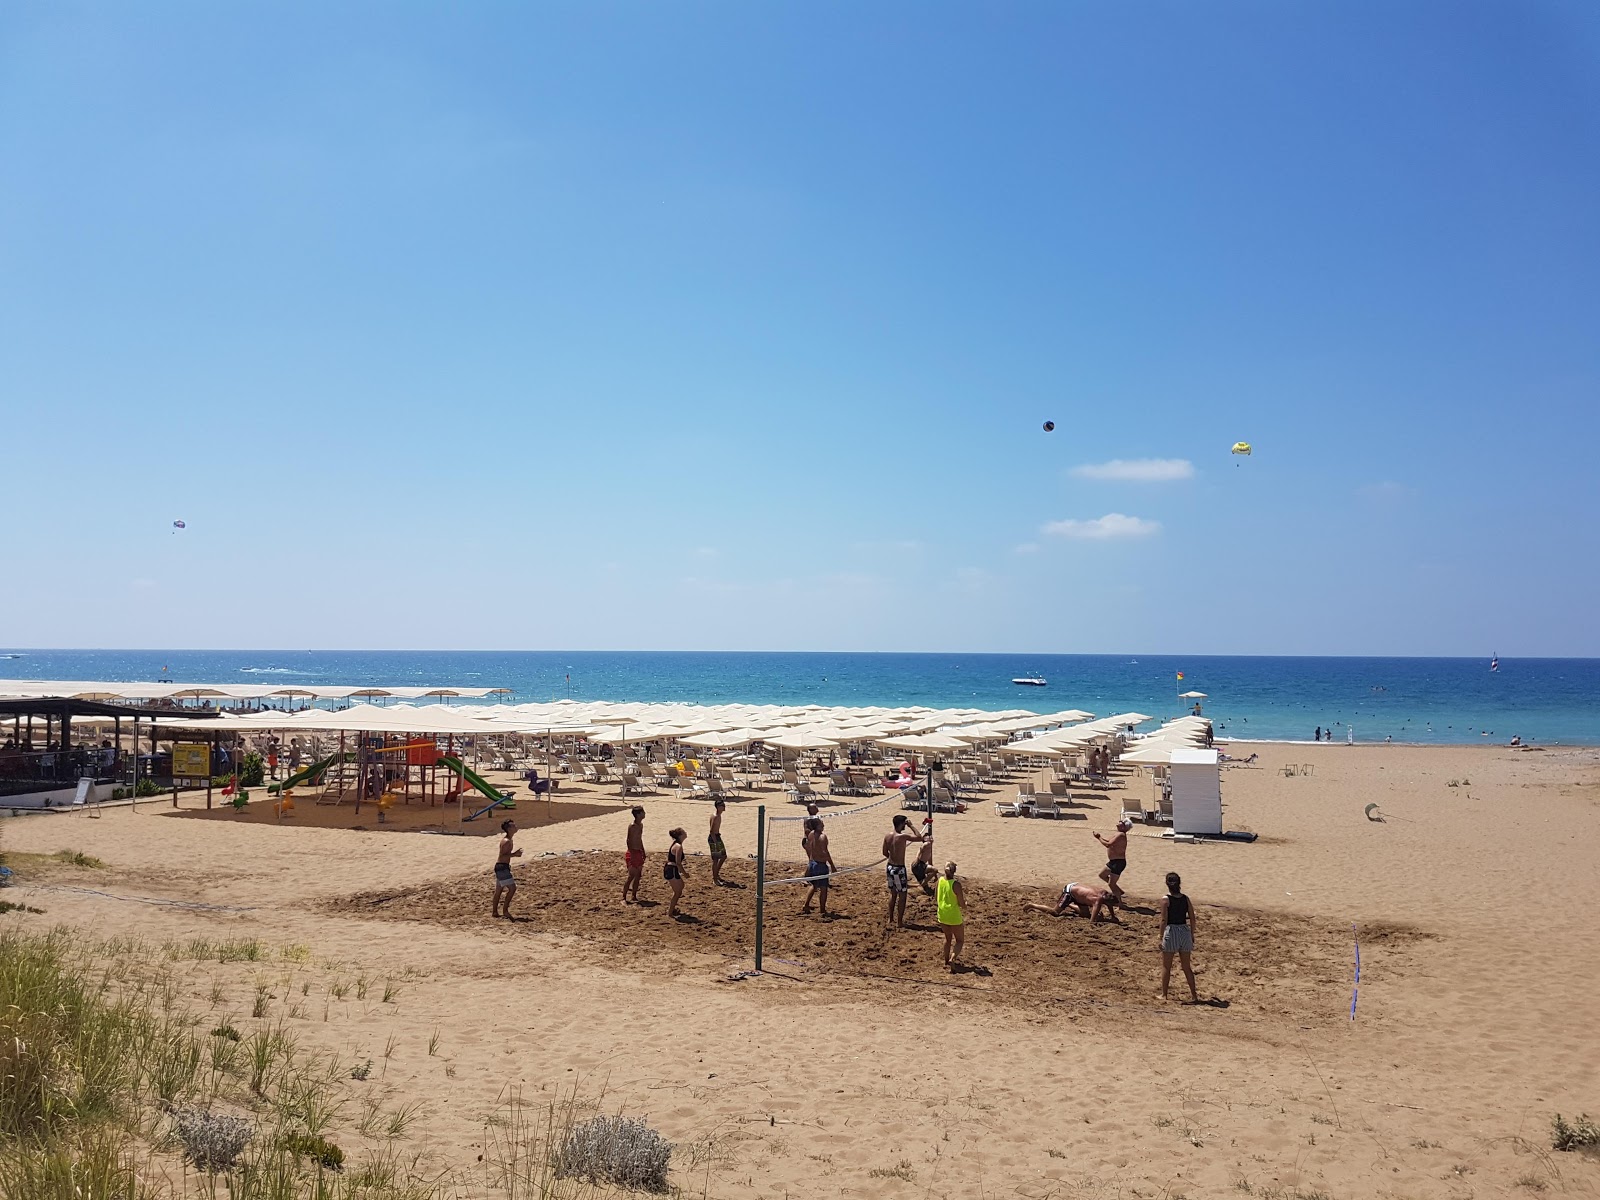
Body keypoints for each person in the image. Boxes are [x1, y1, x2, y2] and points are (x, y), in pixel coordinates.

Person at [1159, 871, 1200, 1002]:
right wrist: (1192, 934)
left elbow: (1163, 920)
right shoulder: (1185, 898)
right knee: (1186, 967)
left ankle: (1164, 994)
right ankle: (1194, 995)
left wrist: (1161, 937)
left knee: (1166, 966)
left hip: (1172, 931)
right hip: (1184, 931)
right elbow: (1192, 918)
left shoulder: (1165, 900)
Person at [881, 814, 925, 929]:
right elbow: (920, 837)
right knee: (902, 895)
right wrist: (911, 826)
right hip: (899, 868)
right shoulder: (903, 836)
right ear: (901, 824)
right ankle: (899, 922)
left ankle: (890, 918)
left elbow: (885, 853)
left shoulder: (887, 836)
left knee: (893, 894)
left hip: (890, 867)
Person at [1023, 882, 1119, 924]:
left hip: (1079, 894)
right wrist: (1097, 918)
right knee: (1055, 912)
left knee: (1085, 914)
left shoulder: (1107, 895)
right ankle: (1032, 905)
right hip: (1070, 891)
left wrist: (1113, 916)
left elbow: (1109, 905)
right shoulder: (1097, 901)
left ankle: (1068, 904)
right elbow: (1092, 921)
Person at [801, 817, 834, 916]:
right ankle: (822, 910)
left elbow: (810, 847)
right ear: (817, 826)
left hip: (813, 863)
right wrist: (832, 865)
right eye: (821, 824)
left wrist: (810, 864)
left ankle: (806, 904)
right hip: (820, 865)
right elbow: (825, 852)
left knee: (814, 885)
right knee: (823, 888)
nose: (823, 825)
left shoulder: (811, 834)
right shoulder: (823, 837)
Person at [936, 862, 966, 969]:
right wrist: (965, 905)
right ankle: (952, 958)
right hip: (954, 916)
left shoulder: (940, 881)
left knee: (947, 939)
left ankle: (945, 961)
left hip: (942, 915)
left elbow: (936, 897)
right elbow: (961, 903)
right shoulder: (956, 885)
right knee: (959, 940)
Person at [1094, 818, 1131, 899]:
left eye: (1122, 822)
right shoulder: (1118, 834)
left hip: (1118, 862)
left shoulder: (1121, 835)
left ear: (1124, 827)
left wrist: (1098, 838)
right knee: (1102, 875)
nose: (1119, 822)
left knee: (1111, 884)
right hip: (1113, 862)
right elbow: (1108, 841)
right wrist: (1099, 837)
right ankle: (1119, 891)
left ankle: (1120, 903)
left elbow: (1108, 844)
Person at [492, 819, 522, 919]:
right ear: (509, 829)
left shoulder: (509, 840)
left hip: (502, 867)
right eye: (513, 826)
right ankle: (505, 911)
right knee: (512, 888)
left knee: (499, 890)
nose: (515, 826)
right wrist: (515, 854)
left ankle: (495, 912)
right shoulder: (506, 841)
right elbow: (503, 855)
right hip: (502, 867)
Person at [623, 806, 646, 903]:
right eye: (642, 812)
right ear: (638, 814)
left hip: (638, 851)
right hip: (632, 852)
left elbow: (639, 839)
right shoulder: (632, 826)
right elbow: (628, 840)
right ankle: (624, 896)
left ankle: (634, 895)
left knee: (638, 875)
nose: (644, 814)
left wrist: (643, 851)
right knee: (631, 875)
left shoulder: (641, 825)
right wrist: (631, 853)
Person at [663, 827, 688, 916]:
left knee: (680, 887)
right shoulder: (678, 846)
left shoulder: (676, 844)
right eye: (684, 832)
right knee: (677, 892)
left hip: (672, 869)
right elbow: (678, 862)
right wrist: (685, 874)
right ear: (680, 835)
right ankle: (670, 912)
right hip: (671, 869)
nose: (686, 833)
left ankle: (672, 909)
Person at [705, 798, 730, 885]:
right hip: (714, 838)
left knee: (723, 856)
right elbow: (711, 831)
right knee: (715, 859)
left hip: (717, 837)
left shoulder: (718, 815)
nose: (724, 807)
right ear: (718, 807)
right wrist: (715, 842)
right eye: (722, 805)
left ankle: (716, 874)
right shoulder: (715, 816)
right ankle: (715, 879)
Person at [910, 815, 936, 895]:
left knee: (924, 884)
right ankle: (921, 884)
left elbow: (930, 863)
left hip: (920, 865)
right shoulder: (926, 844)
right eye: (929, 837)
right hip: (918, 865)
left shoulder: (929, 849)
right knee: (935, 870)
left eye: (931, 837)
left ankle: (918, 885)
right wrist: (917, 860)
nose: (931, 838)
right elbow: (921, 850)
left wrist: (935, 877)